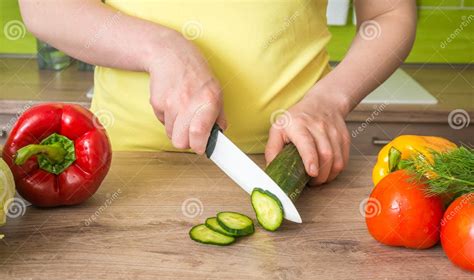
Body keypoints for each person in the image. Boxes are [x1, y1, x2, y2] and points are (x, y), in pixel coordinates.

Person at [19, 0, 416, 185]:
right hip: (117, 170)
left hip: (294, 163)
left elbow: (390, 13)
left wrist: (330, 100)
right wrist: (161, 48)